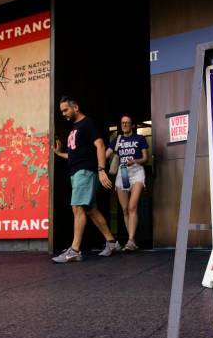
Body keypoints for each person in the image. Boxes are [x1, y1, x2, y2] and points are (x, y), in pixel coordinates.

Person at [52, 96, 121, 263]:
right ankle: (112, 242)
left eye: (66, 110)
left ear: (75, 107)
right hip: (76, 172)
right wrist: (59, 153)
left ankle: (75, 250)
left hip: (86, 172)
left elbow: (100, 145)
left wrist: (101, 169)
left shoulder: (87, 123)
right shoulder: (75, 128)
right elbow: (76, 153)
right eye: (61, 111)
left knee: (77, 207)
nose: (63, 114)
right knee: (89, 209)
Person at [106, 115, 149, 251]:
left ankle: (130, 240)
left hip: (136, 171)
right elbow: (105, 154)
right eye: (122, 123)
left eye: (127, 123)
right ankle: (133, 240)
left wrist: (134, 161)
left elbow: (145, 158)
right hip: (122, 172)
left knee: (132, 207)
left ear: (132, 125)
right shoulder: (116, 140)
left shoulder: (139, 139)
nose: (124, 125)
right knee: (125, 209)